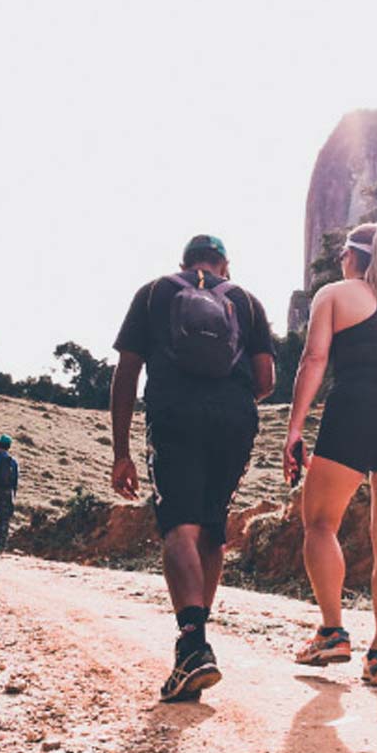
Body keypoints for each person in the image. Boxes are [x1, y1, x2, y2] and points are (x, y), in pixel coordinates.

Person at [111, 234, 276, 703]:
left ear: (182, 263)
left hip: (174, 414)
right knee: (211, 528)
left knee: (178, 528)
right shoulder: (245, 300)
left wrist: (121, 451)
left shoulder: (153, 292)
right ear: (225, 265)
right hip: (234, 420)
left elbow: (126, 373)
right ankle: (196, 641)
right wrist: (230, 392)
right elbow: (265, 380)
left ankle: (192, 644)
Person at [284, 223, 377, 687]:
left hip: (357, 405)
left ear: (352, 257)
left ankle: (332, 631)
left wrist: (294, 429)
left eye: (342, 257)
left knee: (320, 522)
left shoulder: (335, 294)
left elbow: (314, 360)